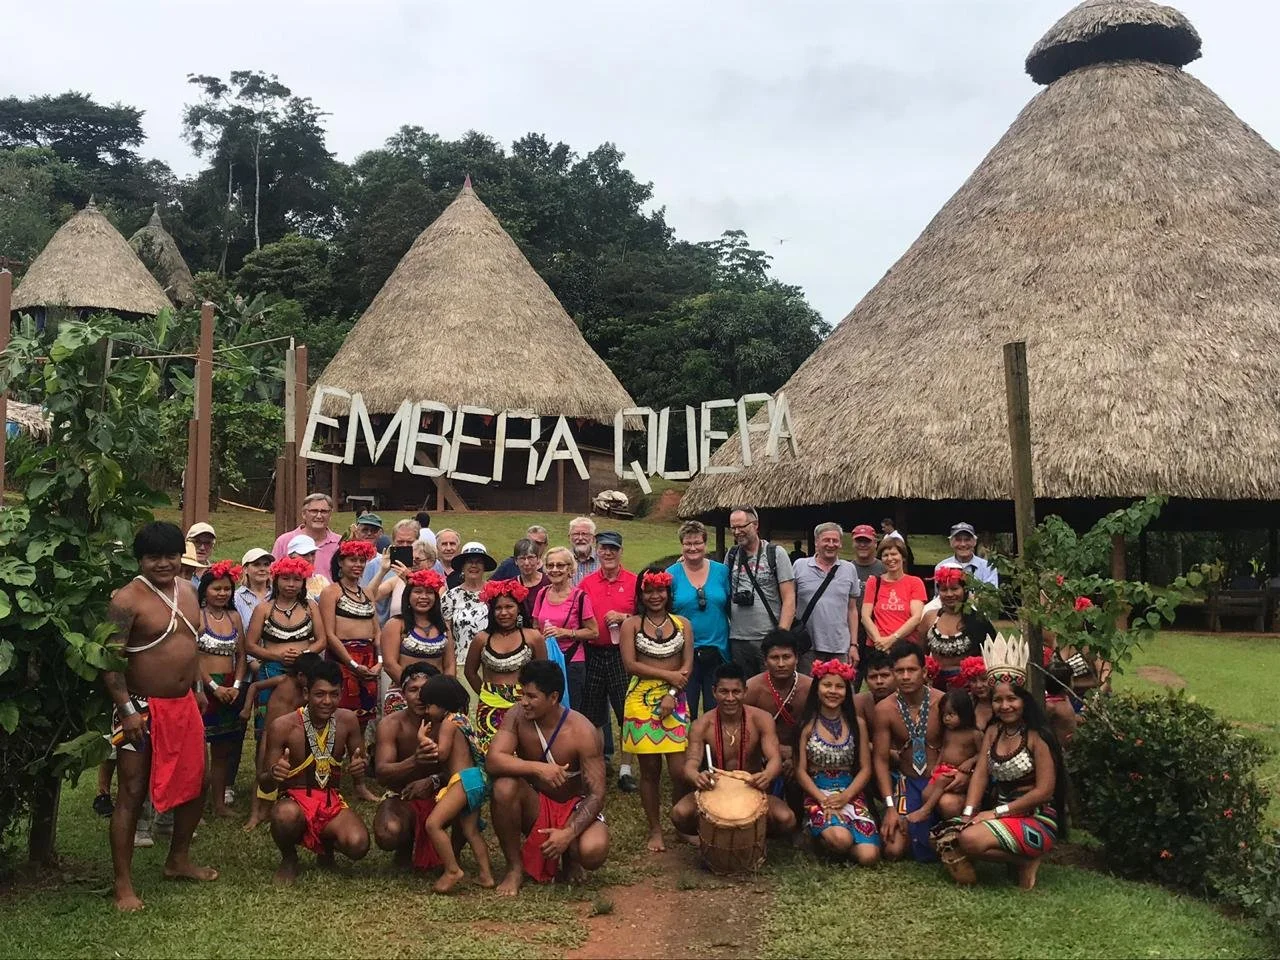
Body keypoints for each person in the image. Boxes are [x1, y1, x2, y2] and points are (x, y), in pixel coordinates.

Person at [103, 521, 217, 911]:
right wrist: (126, 709)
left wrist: (199, 691)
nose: (164, 564)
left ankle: (178, 859)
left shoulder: (187, 590)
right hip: (140, 707)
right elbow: (110, 659)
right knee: (132, 792)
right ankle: (123, 884)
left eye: (170, 555)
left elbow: (191, 646)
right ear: (140, 559)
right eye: (154, 557)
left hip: (184, 703)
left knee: (198, 782)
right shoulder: (126, 599)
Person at [952, 635, 1068, 890]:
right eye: (998, 700)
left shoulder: (1039, 736)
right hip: (1000, 814)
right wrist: (968, 813)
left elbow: (1044, 791)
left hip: (1036, 818)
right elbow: (981, 773)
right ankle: (1017, 857)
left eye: (1011, 699)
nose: (1005, 706)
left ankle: (1027, 859)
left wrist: (995, 813)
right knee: (948, 835)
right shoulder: (993, 731)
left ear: (1024, 701)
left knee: (969, 840)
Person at [487, 660, 609, 895]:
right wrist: (537, 768)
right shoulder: (516, 715)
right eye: (522, 694)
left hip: (574, 807)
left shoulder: (583, 731)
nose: (523, 702)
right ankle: (514, 868)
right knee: (503, 787)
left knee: (594, 851)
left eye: (531, 696)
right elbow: (494, 760)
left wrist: (568, 833)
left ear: (553, 698)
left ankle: (570, 856)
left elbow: (597, 794)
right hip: (537, 805)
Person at [259, 659, 371, 884]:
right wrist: (274, 774)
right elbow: (264, 784)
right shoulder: (283, 726)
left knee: (359, 844)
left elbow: (361, 764)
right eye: (320, 694)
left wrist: (361, 768)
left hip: (331, 801)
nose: (327, 701)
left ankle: (326, 849)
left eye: (334, 694)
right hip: (294, 800)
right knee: (284, 816)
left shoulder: (347, 720)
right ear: (306, 692)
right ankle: (289, 858)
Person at [242, 557, 329, 831]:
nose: (291, 584)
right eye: (286, 579)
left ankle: (302, 796)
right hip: (273, 676)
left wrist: (304, 655)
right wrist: (276, 654)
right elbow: (250, 645)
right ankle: (259, 808)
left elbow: (322, 640)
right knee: (269, 740)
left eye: (296, 579)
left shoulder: (310, 607)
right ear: (275, 579)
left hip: (306, 675)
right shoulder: (264, 609)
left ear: (303, 581)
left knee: (309, 733)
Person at [672, 662, 795, 837]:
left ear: (745, 691)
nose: (730, 698)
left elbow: (774, 758)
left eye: (736, 692)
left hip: (751, 789)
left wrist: (766, 775)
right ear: (714, 692)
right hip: (715, 791)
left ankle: (754, 835)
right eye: (724, 692)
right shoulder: (702, 725)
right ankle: (710, 835)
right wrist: (697, 777)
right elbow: (691, 764)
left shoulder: (761, 719)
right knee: (679, 814)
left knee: (786, 819)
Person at [619, 567, 693, 852]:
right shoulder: (632, 625)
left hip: (676, 698)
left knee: (679, 770)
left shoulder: (683, 623)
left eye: (660, 590)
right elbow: (631, 665)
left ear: (668, 592)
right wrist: (668, 677)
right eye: (648, 590)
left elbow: (687, 665)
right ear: (640, 593)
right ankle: (655, 830)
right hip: (640, 701)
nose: (655, 596)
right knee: (649, 771)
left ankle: (680, 823)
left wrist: (673, 691)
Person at [794, 659, 879, 863]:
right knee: (841, 840)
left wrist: (846, 796)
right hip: (817, 791)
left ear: (847, 691)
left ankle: (834, 840)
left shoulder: (857, 724)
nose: (833, 691)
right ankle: (820, 836)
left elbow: (866, 769)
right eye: (827, 685)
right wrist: (822, 800)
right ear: (817, 688)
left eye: (839, 686)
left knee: (869, 857)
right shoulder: (806, 725)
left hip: (850, 790)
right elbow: (800, 772)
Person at [419, 674, 495, 893]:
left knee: (433, 824)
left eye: (429, 706)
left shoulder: (447, 723)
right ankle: (486, 875)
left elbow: (441, 754)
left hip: (463, 780)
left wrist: (422, 739)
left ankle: (452, 870)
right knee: (471, 831)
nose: (426, 711)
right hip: (476, 779)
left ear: (441, 704)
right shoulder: (462, 718)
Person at [874, 640, 945, 862]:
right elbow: (881, 760)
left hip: (940, 781)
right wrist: (890, 807)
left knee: (947, 810)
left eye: (911, 670)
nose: (905, 676)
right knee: (893, 850)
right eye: (899, 671)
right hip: (908, 782)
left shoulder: (942, 702)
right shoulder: (885, 709)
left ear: (924, 672)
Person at [579, 531, 639, 792]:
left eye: (613, 548)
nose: (608, 553)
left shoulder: (634, 581)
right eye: (604, 548)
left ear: (621, 551)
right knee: (593, 714)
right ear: (597, 550)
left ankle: (626, 769)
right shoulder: (587, 583)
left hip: (621, 654)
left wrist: (625, 617)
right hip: (592, 652)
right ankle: (599, 764)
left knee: (626, 711)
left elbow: (643, 616)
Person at [319, 541, 382, 786]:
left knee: (363, 719)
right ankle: (329, 778)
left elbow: (377, 631)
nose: (357, 565)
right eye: (352, 560)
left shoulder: (366, 593)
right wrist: (352, 665)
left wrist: (378, 662)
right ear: (340, 563)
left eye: (361, 560)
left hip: (368, 657)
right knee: (336, 715)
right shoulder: (331, 592)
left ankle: (359, 781)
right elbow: (329, 634)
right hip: (342, 659)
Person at [372, 662, 446, 869]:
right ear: (403, 694)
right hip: (402, 796)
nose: (420, 696)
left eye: (426, 689)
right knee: (388, 833)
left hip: (445, 796)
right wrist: (414, 761)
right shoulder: (391, 725)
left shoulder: (449, 723)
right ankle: (405, 844)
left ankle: (452, 852)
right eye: (413, 690)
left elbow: (466, 769)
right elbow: (382, 773)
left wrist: (434, 780)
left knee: (466, 796)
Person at [464, 579, 547, 751]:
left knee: (524, 754)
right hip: (488, 708)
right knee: (491, 756)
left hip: (524, 707)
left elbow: (543, 675)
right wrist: (487, 693)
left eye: (509, 607)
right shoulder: (482, 639)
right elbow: (470, 672)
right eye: (498, 608)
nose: (503, 613)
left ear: (519, 609)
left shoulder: (533, 637)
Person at [196, 560, 248, 819]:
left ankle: (218, 804)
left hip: (230, 686)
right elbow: (193, 657)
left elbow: (241, 655)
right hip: (204, 688)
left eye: (227, 589)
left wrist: (236, 686)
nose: (222, 593)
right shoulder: (197, 616)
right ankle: (194, 806)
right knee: (198, 753)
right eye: (216, 588)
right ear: (205, 590)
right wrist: (213, 687)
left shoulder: (235, 617)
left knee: (222, 749)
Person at [667, 520, 732, 720]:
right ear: (681, 545)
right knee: (686, 712)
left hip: (718, 650)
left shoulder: (722, 571)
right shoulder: (671, 574)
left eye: (697, 543)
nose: (693, 548)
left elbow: (731, 606)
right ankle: (689, 751)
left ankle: (714, 750)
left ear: (705, 543)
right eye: (688, 544)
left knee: (716, 711)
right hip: (685, 655)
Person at [743, 629, 812, 808]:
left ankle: (799, 817)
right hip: (761, 755)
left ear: (797, 658)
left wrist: (798, 755)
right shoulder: (752, 689)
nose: (781, 663)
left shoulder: (810, 688)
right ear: (765, 661)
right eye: (775, 658)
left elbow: (821, 729)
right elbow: (740, 729)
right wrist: (774, 753)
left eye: (786, 657)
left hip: (802, 754)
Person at [726, 505, 795, 676]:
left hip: (768, 637)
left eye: (741, 526)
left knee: (771, 690)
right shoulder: (732, 554)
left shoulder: (775, 553)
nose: (736, 532)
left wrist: (781, 637)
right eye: (733, 528)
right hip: (737, 638)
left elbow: (789, 597)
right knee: (744, 692)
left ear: (755, 525)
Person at [532, 546, 598, 711]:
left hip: (572, 663)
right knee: (547, 710)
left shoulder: (580, 597)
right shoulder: (541, 594)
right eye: (551, 565)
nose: (555, 570)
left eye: (560, 565)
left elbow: (593, 631)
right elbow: (535, 627)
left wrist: (566, 632)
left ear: (570, 570)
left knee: (570, 712)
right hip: (546, 661)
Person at [906, 689, 983, 827]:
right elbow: (944, 749)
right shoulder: (948, 731)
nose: (946, 719)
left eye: (951, 714)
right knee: (925, 794)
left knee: (941, 781)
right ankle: (934, 822)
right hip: (944, 768)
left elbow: (983, 754)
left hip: (959, 772)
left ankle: (925, 811)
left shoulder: (974, 734)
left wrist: (970, 761)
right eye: (944, 715)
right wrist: (937, 764)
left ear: (964, 713)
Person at [381, 569, 455, 713]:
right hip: (402, 694)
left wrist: (445, 691)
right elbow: (389, 664)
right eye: (418, 592)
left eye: (429, 592)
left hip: (436, 699)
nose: (423, 597)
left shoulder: (443, 627)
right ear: (408, 596)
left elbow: (450, 664)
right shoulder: (396, 624)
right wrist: (414, 691)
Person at [792, 523, 861, 673]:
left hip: (839, 646)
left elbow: (852, 609)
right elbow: (789, 602)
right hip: (807, 646)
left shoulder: (849, 569)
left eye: (835, 541)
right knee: (807, 692)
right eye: (826, 540)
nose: (831, 545)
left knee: (840, 692)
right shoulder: (800, 566)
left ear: (841, 543)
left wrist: (853, 645)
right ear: (817, 542)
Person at [917, 566, 996, 689]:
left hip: (969, 686)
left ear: (964, 590)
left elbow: (993, 656)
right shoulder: (930, 617)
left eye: (954, 589)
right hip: (935, 685)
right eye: (944, 590)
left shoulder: (978, 620)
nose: (949, 594)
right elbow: (920, 654)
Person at [861, 540, 926, 654]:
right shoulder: (873, 582)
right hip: (878, 647)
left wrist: (892, 639)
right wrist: (880, 642)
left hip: (905, 647)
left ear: (903, 557)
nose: (890, 558)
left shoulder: (915, 582)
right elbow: (865, 617)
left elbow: (916, 617)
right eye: (885, 555)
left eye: (894, 554)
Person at [443, 542, 496, 667]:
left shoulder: (496, 592)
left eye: (478, 562)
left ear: (484, 566)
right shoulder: (450, 596)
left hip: (493, 661)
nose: (474, 565)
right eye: (469, 561)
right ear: (462, 566)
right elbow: (446, 633)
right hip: (461, 662)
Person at [361, 518, 421, 619]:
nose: (404, 546)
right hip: (381, 626)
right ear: (393, 541)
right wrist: (382, 572)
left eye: (410, 542)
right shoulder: (376, 564)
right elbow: (365, 597)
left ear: (418, 541)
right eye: (400, 542)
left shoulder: (426, 563)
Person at [272, 492, 342, 577]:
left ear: (330, 515)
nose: (319, 516)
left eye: (324, 511)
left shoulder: (340, 543)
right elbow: (273, 573)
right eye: (314, 511)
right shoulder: (284, 541)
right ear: (304, 514)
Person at [935, 522, 998, 587]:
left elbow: (992, 596)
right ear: (951, 542)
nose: (963, 544)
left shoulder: (988, 568)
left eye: (967, 539)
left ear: (975, 542)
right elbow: (939, 595)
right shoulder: (941, 567)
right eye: (958, 540)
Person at [853, 648, 898, 737]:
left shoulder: (908, 701)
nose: (879, 681)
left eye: (885, 675)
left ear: (895, 676)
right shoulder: (859, 703)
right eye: (873, 677)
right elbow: (857, 739)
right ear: (866, 680)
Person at [285, 534, 331, 602]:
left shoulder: (321, 581)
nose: (310, 559)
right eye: (304, 554)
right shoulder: (284, 582)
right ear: (291, 556)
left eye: (313, 554)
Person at [512, 538, 550, 620]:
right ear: (516, 561)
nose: (526, 563)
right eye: (522, 558)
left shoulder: (549, 582)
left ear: (538, 559)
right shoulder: (511, 586)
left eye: (530, 558)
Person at [568, 516, 599, 586]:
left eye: (585, 534)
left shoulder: (603, 560)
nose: (580, 538)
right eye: (576, 534)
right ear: (569, 537)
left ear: (593, 538)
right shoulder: (562, 559)